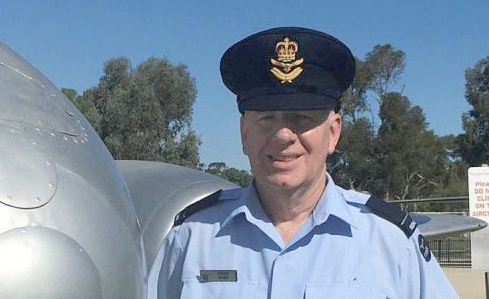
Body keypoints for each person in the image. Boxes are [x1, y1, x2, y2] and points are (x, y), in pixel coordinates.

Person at [147, 27, 457, 298]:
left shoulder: (390, 243)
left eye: (302, 119)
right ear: (244, 134)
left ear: (333, 133)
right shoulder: (191, 239)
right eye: (267, 119)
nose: (283, 135)